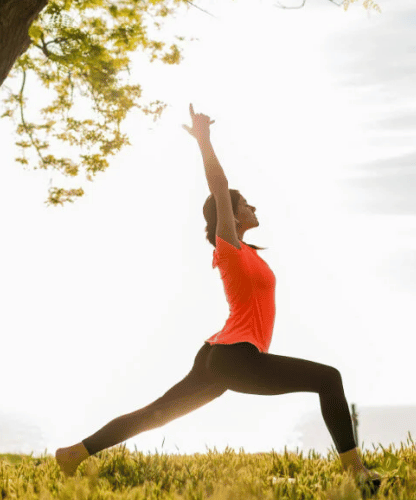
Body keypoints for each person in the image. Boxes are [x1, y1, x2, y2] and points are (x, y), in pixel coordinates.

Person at [54, 104, 381, 491]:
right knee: (329, 379)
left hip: (219, 355)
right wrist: (204, 140)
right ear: (231, 215)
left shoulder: (249, 253)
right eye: (247, 204)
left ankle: (74, 453)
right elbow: (220, 187)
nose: (253, 207)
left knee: (159, 412)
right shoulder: (229, 249)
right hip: (233, 356)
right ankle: (356, 473)